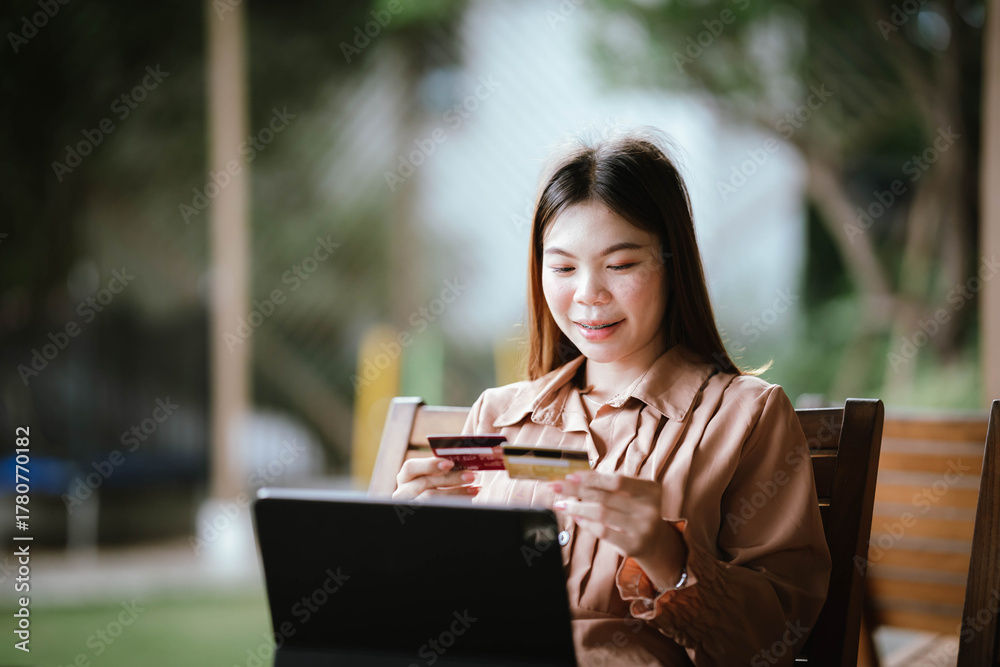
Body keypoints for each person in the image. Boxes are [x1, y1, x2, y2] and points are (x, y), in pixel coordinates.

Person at [393, 127, 831, 666]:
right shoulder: (498, 414)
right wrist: (418, 541)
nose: (587, 295)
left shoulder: (746, 415)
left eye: (621, 265)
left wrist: (669, 558)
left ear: (674, 263)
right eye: (562, 267)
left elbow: (779, 637)